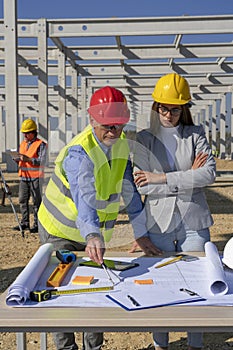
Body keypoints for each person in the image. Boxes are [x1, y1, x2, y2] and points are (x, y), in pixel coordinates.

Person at [38, 86, 161, 350]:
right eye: (107, 126)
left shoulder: (120, 147)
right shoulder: (79, 154)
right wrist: (92, 234)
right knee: (62, 294)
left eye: (118, 126)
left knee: (96, 291)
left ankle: (94, 348)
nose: (113, 132)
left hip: (91, 235)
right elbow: (85, 197)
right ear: (91, 120)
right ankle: (66, 348)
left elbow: (129, 191)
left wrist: (140, 232)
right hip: (60, 232)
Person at [132, 73, 216, 350]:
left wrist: (161, 178)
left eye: (176, 108)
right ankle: (160, 344)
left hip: (194, 222)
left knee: (200, 283)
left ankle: (195, 344)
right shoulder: (143, 139)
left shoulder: (196, 134)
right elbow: (143, 187)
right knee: (160, 283)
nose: (169, 114)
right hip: (158, 223)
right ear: (156, 107)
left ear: (184, 109)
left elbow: (208, 175)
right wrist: (187, 177)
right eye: (164, 108)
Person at [13, 119, 47, 233]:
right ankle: (25, 223)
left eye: (27, 133)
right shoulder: (23, 144)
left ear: (33, 132)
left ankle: (37, 224)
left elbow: (42, 161)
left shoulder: (41, 145)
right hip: (24, 177)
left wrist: (28, 159)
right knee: (22, 200)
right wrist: (17, 160)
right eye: (24, 133)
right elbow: (22, 161)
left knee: (37, 202)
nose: (25, 135)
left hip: (36, 178)